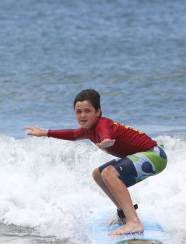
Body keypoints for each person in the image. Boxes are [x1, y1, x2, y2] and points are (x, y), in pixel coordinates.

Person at [24, 89, 167, 235]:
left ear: (98, 112)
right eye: (78, 111)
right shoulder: (88, 129)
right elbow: (73, 134)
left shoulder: (102, 124)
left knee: (109, 173)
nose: (83, 115)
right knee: (98, 174)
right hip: (144, 156)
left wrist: (106, 141)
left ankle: (134, 222)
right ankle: (124, 215)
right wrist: (46, 133)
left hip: (154, 155)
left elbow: (106, 133)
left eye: (87, 110)